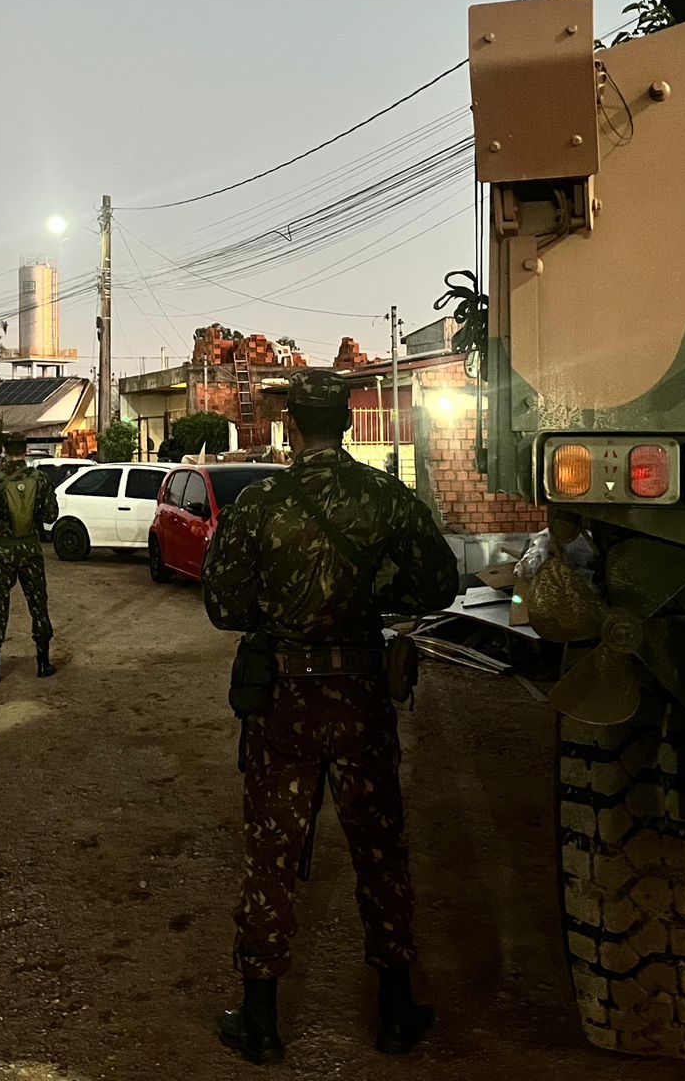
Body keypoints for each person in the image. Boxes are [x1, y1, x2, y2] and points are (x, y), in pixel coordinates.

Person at [201, 368, 459, 1064]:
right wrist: (373, 595)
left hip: (284, 699)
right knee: (379, 847)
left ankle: (260, 1021)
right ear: (345, 423)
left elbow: (223, 606)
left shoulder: (259, 503)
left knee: (273, 850)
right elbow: (439, 584)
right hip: (360, 695)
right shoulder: (386, 497)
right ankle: (396, 1012)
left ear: (292, 425)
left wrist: (277, 609)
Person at [0, 433, 59, 681]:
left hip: (2, 551)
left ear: (4, 449)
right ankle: (43, 663)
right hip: (30, 549)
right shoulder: (40, 479)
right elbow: (50, 515)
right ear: (26, 450)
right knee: (38, 604)